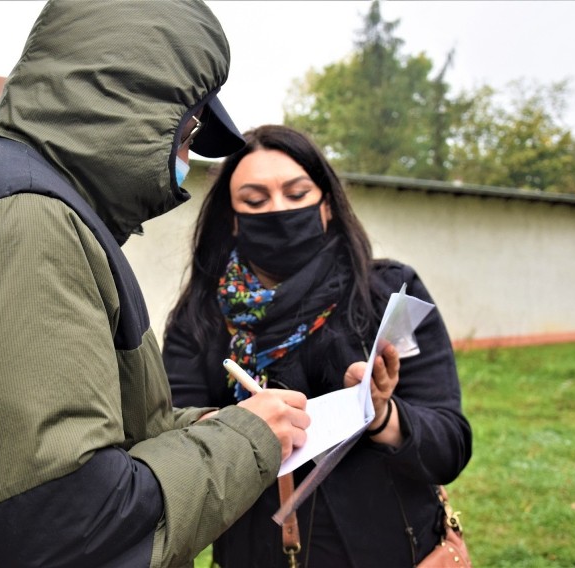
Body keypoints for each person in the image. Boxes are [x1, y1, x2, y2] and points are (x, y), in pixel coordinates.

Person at [0, 2, 310, 567]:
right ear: (134, 104)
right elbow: (65, 519)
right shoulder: (22, 224)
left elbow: (62, 442)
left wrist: (203, 429)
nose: (186, 158)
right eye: (188, 131)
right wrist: (246, 440)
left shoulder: (2, 192)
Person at [163, 124, 473, 567]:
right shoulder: (202, 317)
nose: (278, 210)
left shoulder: (389, 293)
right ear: (232, 217)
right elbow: (172, 443)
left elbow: (450, 446)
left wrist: (382, 414)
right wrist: (236, 427)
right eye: (255, 200)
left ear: (326, 204)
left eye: (297, 193)